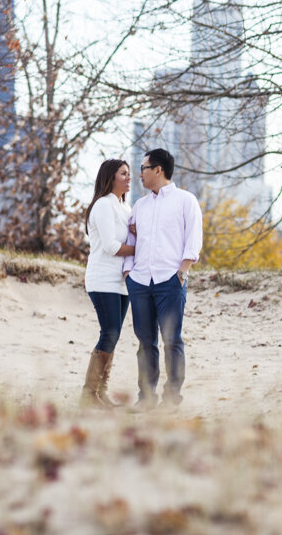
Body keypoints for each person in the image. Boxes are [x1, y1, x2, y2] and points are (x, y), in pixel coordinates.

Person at [122, 148, 202, 407]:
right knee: (145, 342)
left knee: (172, 340)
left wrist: (182, 272)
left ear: (158, 170)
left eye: (143, 168)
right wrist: (128, 273)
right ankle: (146, 397)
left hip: (170, 280)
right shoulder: (139, 206)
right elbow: (131, 240)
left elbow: (193, 240)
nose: (139, 175)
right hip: (141, 281)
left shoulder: (186, 200)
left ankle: (172, 397)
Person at [81, 158, 134, 407]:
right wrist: (140, 249)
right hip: (102, 279)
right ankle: (88, 394)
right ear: (110, 177)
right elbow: (112, 247)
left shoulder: (125, 208)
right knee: (109, 332)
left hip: (121, 282)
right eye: (123, 173)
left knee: (113, 335)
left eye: (129, 173)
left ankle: (101, 392)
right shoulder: (103, 205)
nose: (128, 177)